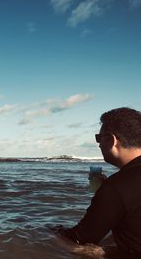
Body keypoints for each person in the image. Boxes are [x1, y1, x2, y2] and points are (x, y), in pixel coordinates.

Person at [55, 107, 141, 256]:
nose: (99, 144)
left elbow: (81, 237)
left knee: (52, 237)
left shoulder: (116, 187)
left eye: (99, 138)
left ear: (113, 140)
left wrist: (44, 234)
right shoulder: (119, 186)